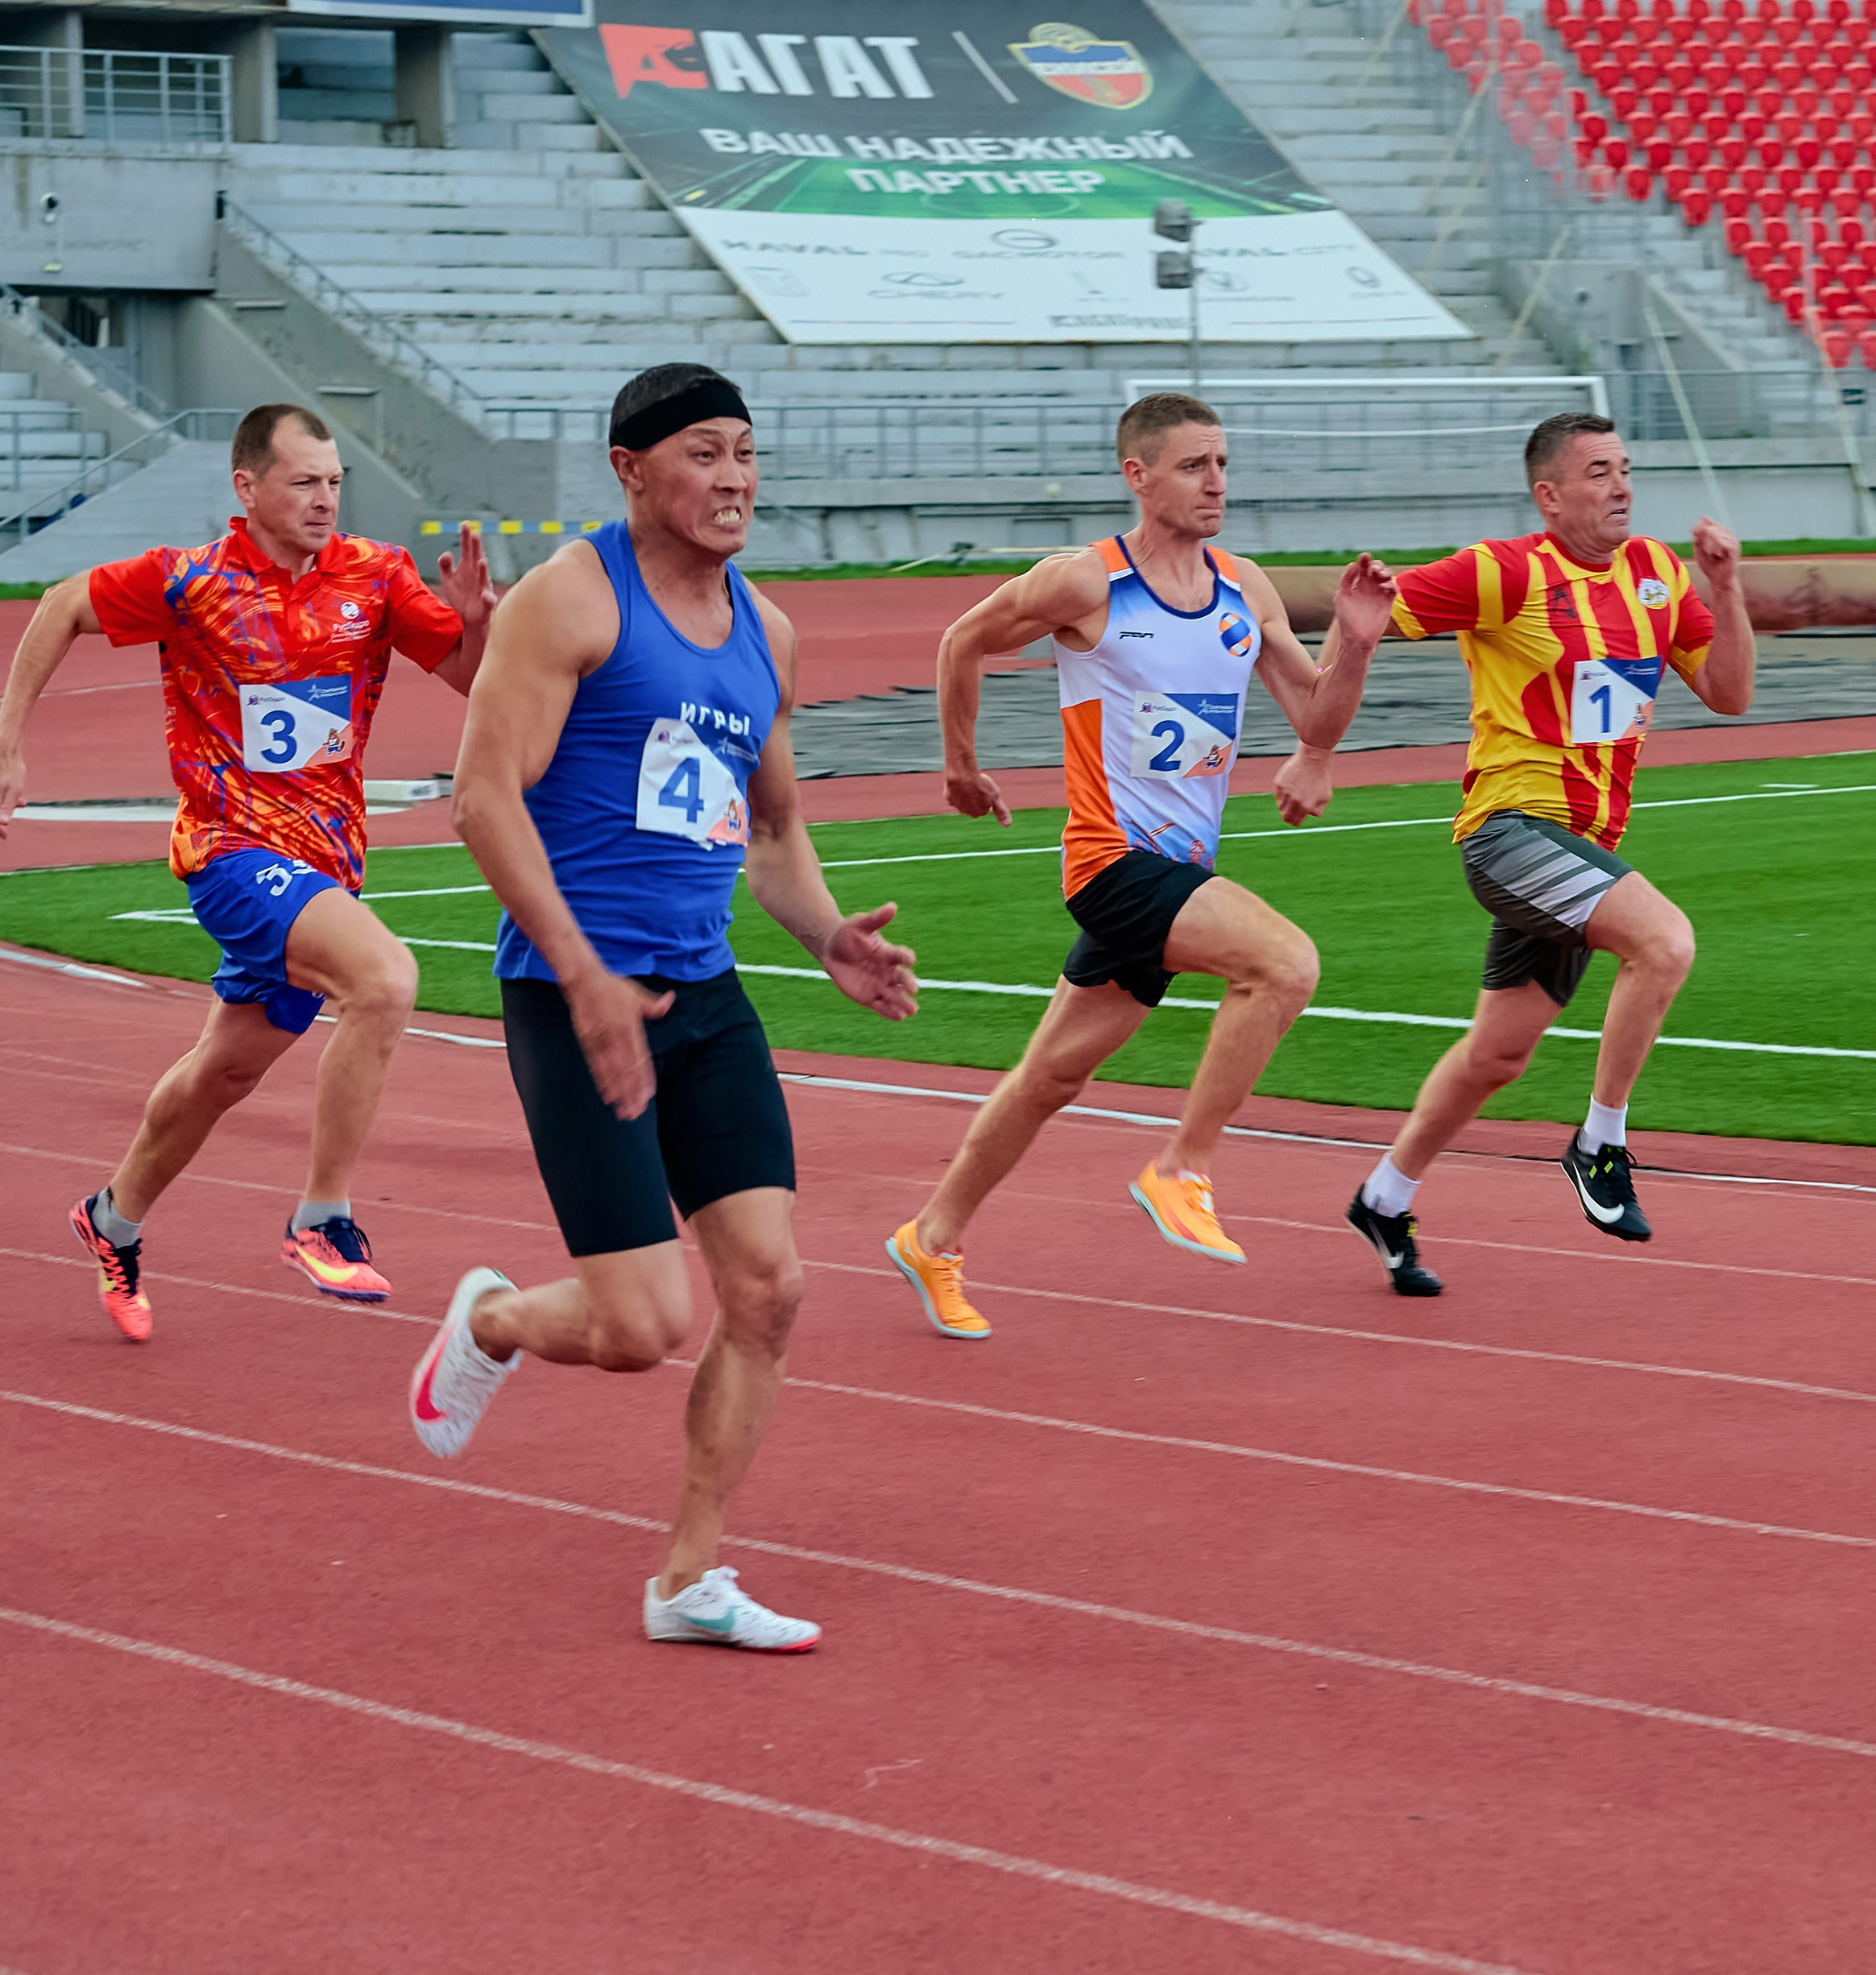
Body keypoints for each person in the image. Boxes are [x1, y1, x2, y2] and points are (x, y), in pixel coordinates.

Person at [410, 361, 917, 1655]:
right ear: (632, 470)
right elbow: (483, 799)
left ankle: (690, 1579)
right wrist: (581, 972)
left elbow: (775, 825)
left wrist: (827, 938)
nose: (734, 478)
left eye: (746, 452)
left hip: (706, 995)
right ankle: (491, 1320)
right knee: (643, 1328)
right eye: (702, 453)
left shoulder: (769, 632)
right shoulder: (569, 600)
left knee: (771, 1291)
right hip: (572, 993)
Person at [885, 389, 1398, 1339]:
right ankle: (1182, 1167)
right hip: (1111, 862)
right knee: (1283, 964)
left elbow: (1315, 722)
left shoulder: (1246, 587)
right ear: (1139, 474)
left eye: (1224, 464)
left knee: (1050, 1076)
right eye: (1195, 464)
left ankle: (931, 1235)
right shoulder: (1086, 582)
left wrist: (1356, 643)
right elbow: (963, 639)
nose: (1216, 483)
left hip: (1176, 868)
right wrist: (961, 766)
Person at [0, 403, 495, 1340]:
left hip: (325, 866)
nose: (324, 498)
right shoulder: (191, 581)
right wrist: (8, 738)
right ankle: (322, 1218)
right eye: (304, 480)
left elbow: (472, 677)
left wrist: (475, 629)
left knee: (223, 1072)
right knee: (385, 979)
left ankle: (111, 1217)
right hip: (230, 852)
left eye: (336, 480)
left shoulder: (376, 575)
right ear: (248, 487)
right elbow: (63, 603)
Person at [1296, 412, 1755, 1296]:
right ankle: (1601, 1143)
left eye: (1624, 468)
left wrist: (1724, 587)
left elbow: (1730, 693)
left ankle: (1383, 1196)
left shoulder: (1657, 571)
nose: (1620, 485)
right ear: (1548, 495)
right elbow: (1368, 618)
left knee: (1496, 1054)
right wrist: (1330, 703)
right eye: (1596, 472)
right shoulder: (1502, 570)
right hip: (1508, 831)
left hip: (1579, 850)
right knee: (1663, 942)